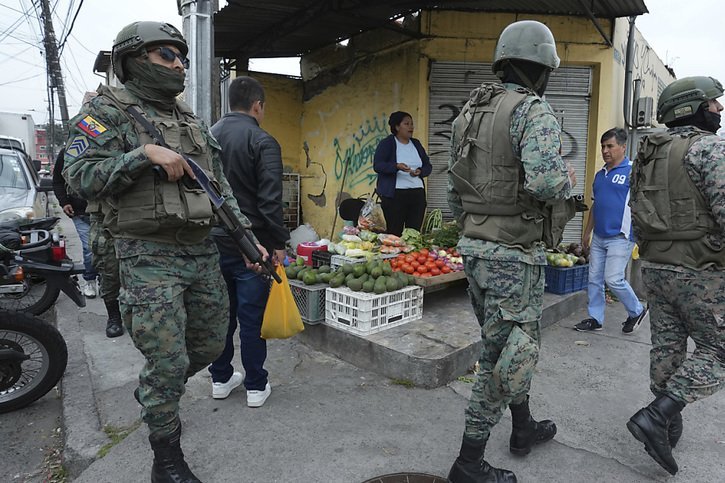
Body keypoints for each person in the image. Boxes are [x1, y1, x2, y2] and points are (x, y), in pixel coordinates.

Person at [62, 21, 264, 482]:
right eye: (165, 55)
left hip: (200, 252)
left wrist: (248, 242)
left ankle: (156, 390)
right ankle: (166, 459)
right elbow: (80, 177)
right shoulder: (106, 113)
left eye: (181, 57)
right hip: (146, 256)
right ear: (132, 59)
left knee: (212, 343)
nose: (178, 65)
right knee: (168, 360)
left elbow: (219, 188)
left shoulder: (188, 118)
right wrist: (143, 155)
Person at [447, 20, 578, 483]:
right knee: (510, 356)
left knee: (504, 345)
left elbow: (452, 191)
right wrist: (568, 183)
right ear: (540, 69)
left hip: (476, 249)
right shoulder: (532, 110)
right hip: (514, 255)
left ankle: (522, 428)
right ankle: (467, 463)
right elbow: (545, 182)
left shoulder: (471, 111)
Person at [627, 76, 725, 476]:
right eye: (713, 104)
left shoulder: (648, 154)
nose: (718, 110)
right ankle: (658, 415)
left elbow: (636, 210)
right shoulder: (710, 150)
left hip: (655, 268)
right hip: (701, 271)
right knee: (718, 351)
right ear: (693, 108)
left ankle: (665, 427)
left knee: (667, 348)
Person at [207, 76, 290, 408]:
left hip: (211, 242)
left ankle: (220, 378)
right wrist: (279, 242)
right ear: (258, 105)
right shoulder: (262, 140)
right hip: (250, 246)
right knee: (252, 317)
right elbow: (270, 201)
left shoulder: (207, 135)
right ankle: (256, 385)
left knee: (220, 314)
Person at [574, 128, 648, 334]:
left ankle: (637, 310)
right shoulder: (600, 175)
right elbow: (596, 206)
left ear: (623, 147)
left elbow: (645, 203)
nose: (605, 150)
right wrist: (587, 232)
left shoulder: (634, 172)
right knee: (594, 279)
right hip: (599, 236)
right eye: (603, 146)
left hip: (621, 236)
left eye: (610, 146)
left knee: (613, 279)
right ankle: (595, 318)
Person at [53, 148, 123, 338]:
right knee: (101, 258)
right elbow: (60, 179)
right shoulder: (73, 148)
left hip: (130, 212)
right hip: (92, 213)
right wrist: (64, 201)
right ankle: (113, 315)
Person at [373, 111, 432, 236]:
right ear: (397, 127)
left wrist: (420, 171)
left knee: (413, 233)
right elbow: (378, 165)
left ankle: (411, 255)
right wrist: (396, 166)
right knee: (394, 233)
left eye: (412, 124)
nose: (411, 127)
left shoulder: (416, 144)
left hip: (417, 194)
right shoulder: (387, 143)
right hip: (395, 196)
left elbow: (428, 166)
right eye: (406, 124)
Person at [51, 149, 100, 299]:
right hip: (80, 211)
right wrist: (64, 202)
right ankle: (90, 280)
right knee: (90, 248)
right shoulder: (69, 151)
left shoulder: (106, 145)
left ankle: (105, 281)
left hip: (104, 210)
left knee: (106, 248)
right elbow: (58, 181)